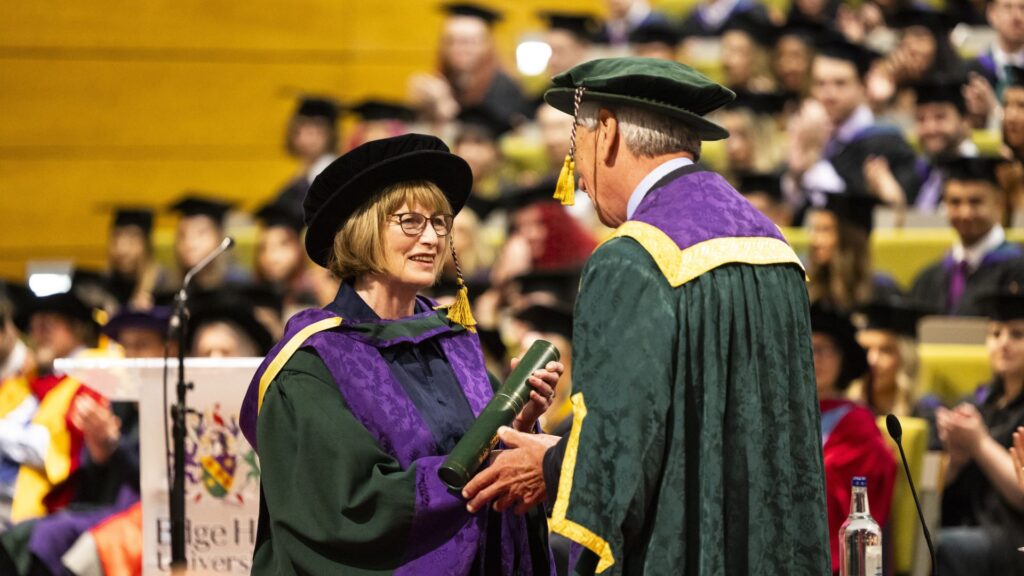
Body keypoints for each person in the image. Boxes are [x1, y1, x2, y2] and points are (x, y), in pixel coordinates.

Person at [462, 57, 831, 575]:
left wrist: (548, 464)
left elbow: (626, 448)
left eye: (577, 145)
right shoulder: (772, 244)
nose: (580, 181)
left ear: (607, 133)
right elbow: (700, 421)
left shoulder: (634, 256)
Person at [238, 134, 561, 574]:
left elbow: (490, 459)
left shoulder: (454, 343)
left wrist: (520, 427)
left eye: (440, 223)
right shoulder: (312, 364)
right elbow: (348, 510)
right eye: (410, 222)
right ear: (363, 229)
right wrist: (481, 472)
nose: (431, 238)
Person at [936, 289, 1024, 575]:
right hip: (969, 523)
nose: (1003, 343)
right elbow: (941, 489)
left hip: (1013, 532)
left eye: (1016, 335)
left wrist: (979, 442)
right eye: (995, 334)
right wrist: (957, 458)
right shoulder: (981, 404)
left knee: (943, 546)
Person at [810, 303, 897, 575]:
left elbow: (862, 490)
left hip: (830, 553)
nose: (816, 359)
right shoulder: (778, 415)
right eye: (808, 348)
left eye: (825, 350)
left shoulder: (856, 420)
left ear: (842, 358)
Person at [787, 37, 920, 210]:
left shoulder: (886, 142)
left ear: (863, 86)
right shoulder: (807, 133)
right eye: (820, 84)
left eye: (840, 83)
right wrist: (797, 170)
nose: (828, 94)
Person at [910, 157, 1024, 315]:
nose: (965, 213)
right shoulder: (929, 278)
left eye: (975, 202)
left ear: (998, 204)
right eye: (955, 202)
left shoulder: (1018, 270)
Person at [806, 193, 901, 311]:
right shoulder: (805, 287)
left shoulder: (880, 290)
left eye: (825, 230)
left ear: (849, 240)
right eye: (813, 229)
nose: (815, 240)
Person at [912, 77, 979, 211]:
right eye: (921, 119)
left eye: (940, 117)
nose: (930, 128)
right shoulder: (927, 172)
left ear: (965, 121)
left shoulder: (979, 175)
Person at [849, 299, 924, 417]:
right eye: (865, 350)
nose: (872, 360)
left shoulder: (924, 413)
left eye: (885, 350)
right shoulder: (843, 412)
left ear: (906, 358)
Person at [165, 195, 249, 293]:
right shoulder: (172, 287)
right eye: (182, 235)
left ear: (219, 238)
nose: (189, 244)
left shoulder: (239, 285)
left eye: (201, 233)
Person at [275, 97, 340, 212]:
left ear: (330, 135)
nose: (306, 139)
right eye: (299, 131)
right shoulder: (304, 171)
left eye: (315, 133)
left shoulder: (329, 172)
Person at [103, 208, 163, 310]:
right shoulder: (103, 284)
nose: (121, 249)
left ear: (147, 244)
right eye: (116, 237)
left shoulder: (166, 288)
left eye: (132, 237)